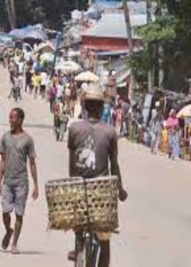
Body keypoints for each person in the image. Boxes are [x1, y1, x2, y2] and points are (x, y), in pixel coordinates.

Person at [67, 84, 127, 267]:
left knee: (79, 226)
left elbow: (71, 163)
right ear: (102, 108)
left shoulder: (74, 128)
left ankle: (78, 243)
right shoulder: (110, 132)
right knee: (105, 244)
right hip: (102, 191)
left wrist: (73, 184)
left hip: (80, 186)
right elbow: (114, 165)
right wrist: (120, 190)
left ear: (84, 106)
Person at [0, 108, 38, 254]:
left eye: (13, 117)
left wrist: (36, 185)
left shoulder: (28, 139)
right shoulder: (5, 138)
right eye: (9, 117)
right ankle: (8, 230)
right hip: (7, 182)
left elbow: (32, 163)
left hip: (22, 183)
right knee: (5, 212)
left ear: (20, 119)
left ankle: (14, 243)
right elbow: (2, 161)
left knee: (19, 214)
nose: (10, 120)